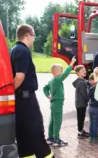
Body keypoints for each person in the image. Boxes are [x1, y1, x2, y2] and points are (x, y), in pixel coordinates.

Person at [10, 24, 54, 157]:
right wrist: (10, 91)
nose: (34, 39)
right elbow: (19, 76)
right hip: (27, 100)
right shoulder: (23, 51)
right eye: (33, 36)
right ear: (27, 35)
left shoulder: (14, 50)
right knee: (36, 133)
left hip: (20, 99)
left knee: (23, 137)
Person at [43, 57, 76, 146]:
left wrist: (48, 95)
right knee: (57, 121)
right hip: (57, 103)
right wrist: (71, 64)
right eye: (60, 71)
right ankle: (56, 139)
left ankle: (50, 138)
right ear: (57, 72)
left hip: (53, 103)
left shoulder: (51, 81)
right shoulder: (57, 80)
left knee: (52, 121)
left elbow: (45, 88)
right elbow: (65, 74)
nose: (62, 73)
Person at [72, 65, 90, 139]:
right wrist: (89, 100)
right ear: (78, 73)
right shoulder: (81, 83)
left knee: (81, 117)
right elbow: (84, 94)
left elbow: (86, 82)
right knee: (81, 118)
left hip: (79, 103)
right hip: (81, 103)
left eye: (85, 70)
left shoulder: (80, 81)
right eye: (82, 71)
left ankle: (81, 130)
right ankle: (80, 132)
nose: (85, 71)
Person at [88, 72, 98, 143]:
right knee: (95, 123)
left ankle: (91, 137)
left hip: (90, 107)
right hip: (96, 107)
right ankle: (95, 137)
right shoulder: (97, 88)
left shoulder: (90, 88)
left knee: (91, 123)